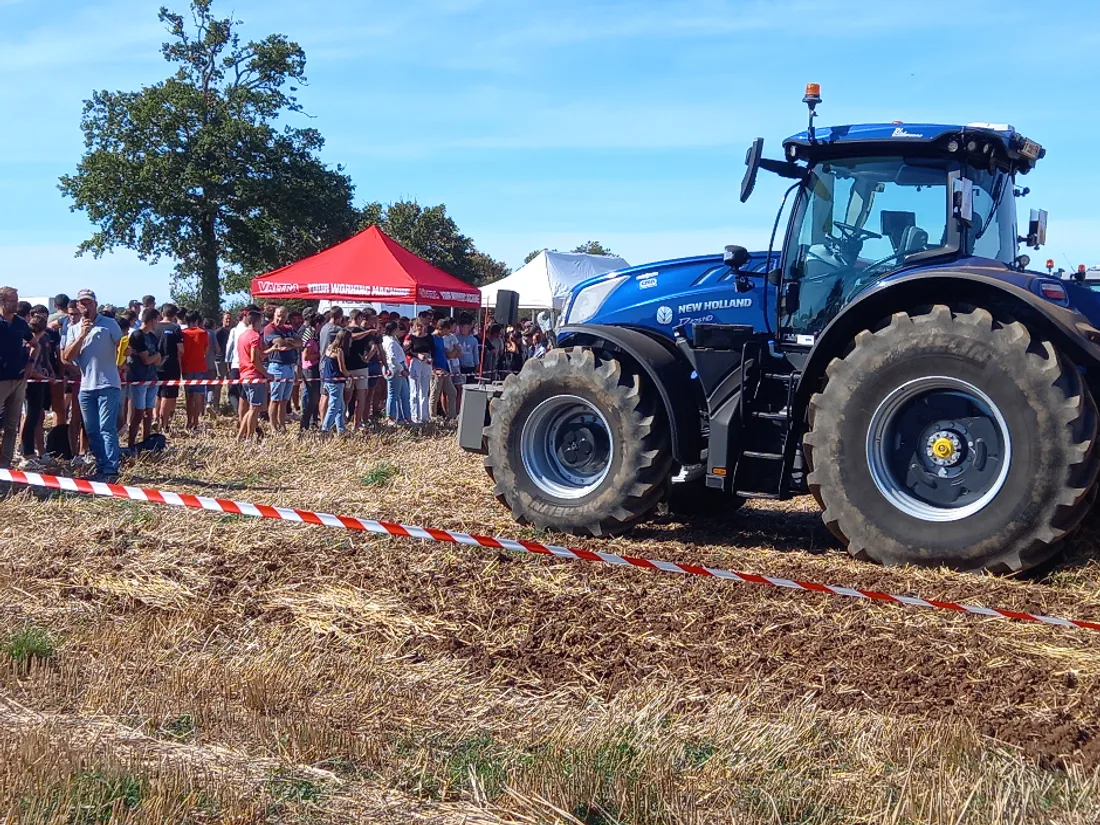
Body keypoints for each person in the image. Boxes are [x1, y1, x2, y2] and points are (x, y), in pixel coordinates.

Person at [61, 289, 122, 482]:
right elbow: (67, 357)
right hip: (87, 386)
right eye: (81, 303)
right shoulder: (73, 329)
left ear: (95, 303)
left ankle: (111, 469)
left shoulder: (110, 324)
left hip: (108, 383)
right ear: (78, 306)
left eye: (88, 302)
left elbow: (122, 347)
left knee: (107, 427)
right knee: (92, 429)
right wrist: (82, 335)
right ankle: (102, 465)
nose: (85, 306)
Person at [0, 287, 35, 469]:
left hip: (18, 380)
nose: (16, 303)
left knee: (12, 426)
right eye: (12, 300)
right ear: (2, 302)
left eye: (16, 299)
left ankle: (4, 466)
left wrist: (30, 362)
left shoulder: (21, 323)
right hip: (1, 380)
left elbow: (34, 344)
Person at [126, 308, 162, 449]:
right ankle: (131, 444)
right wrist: (156, 357)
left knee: (148, 412)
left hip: (152, 378)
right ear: (151, 320)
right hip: (139, 378)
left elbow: (157, 360)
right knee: (138, 413)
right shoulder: (137, 336)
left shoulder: (152, 337)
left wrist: (155, 358)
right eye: (156, 320)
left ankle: (146, 442)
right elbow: (147, 359)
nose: (157, 323)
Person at [262, 305, 300, 433]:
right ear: (274, 315)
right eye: (278, 316)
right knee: (275, 399)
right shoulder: (269, 329)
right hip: (276, 366)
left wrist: (290, 343)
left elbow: (300, 342)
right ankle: (273, 426)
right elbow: (279, 344)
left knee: (284, 400)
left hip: (289, 366)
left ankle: (282, 425)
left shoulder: (288, 328)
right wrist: (291, 342)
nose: (280, 319)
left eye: (283, 317)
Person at [236, 309, 270, 440]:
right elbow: (254, 359)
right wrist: (266, 374)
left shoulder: (242, 336)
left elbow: (258, 355)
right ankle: (249, 437)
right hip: (254, 376)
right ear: (256, 322)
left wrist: (272, 350)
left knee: (251, 409)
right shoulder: (255, 336)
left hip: (244, 375)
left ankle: (240, 436)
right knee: (254, 409)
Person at [225, 305, 258, 424]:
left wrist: (227, 364)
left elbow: (229, 349)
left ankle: (242, 419)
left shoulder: (235, 330)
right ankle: (245, 419)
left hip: (236, 365)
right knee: (244, 396)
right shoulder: (252, 332)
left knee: (234, 393)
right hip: (246, 367)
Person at [155, 304, 184, 433]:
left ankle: (155, 418)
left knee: (157, 392)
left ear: (162, 313)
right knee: (168, 394)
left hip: (155, 365)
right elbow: (180, 350)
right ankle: (164, 422)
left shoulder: (154, 327)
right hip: (170, 364)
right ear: (174, 315)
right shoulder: (175, 328)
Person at [181, 310, 210, 431]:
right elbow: (206, 351)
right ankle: (196, 423)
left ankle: (189, 421)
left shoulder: (182, 333)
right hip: (200, 366)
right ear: (197, 320)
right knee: (199, 395)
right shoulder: (203, 333)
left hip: (186, 367)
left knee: (189, 396)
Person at [320, 328, 350, 434]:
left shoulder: (330, 348)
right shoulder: (339, 351)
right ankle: (325, 428)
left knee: (340, 407)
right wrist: (348, 376)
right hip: (336, 382)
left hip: (327, 380)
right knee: (334, 406)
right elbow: (342, 368)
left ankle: (341, 429)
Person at [381, 321, 411, 424]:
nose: (399, 330)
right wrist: (401, 369)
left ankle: (406, 417)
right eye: (397, 328)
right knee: (393, 394)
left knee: (405, 394)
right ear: (394, 330)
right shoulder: (390, 342)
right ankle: (391, 417)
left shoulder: (392, 340)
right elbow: (392, 358)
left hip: (399, 367)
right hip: (395, 369)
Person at [299, 310, 323, 432]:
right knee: (312, 398)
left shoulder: (313, 334)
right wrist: (319, 355)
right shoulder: (309, 336)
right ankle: (304, 424)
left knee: (314, 398)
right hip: (309, 368)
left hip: (313, 368)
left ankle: (311, 422)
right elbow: (306, 356)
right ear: (318, 324)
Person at [429, 319, 458, 421]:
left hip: (445, 369)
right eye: (447, 330)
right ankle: (432, 416)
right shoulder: (431, 338)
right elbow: (430, 355)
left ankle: (452, 416)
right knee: (435, 393)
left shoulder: (441, 339)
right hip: (436, 370)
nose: (448, 333)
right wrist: (433, 369)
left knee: (452, 392)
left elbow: (444, 354)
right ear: (441, 328)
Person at [406, 319, 433, 424]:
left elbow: (432, 349)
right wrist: (417, 355)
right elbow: (407, 350)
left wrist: (431, 358)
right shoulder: (411, 337)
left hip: (426, 363)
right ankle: (414, 416)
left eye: (421, 326)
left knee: (424, 391)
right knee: (414, 391)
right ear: (414, 327)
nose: (419, 328)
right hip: (415, 362)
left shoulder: (428, 337)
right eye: (417, 326)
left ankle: (425, 416)